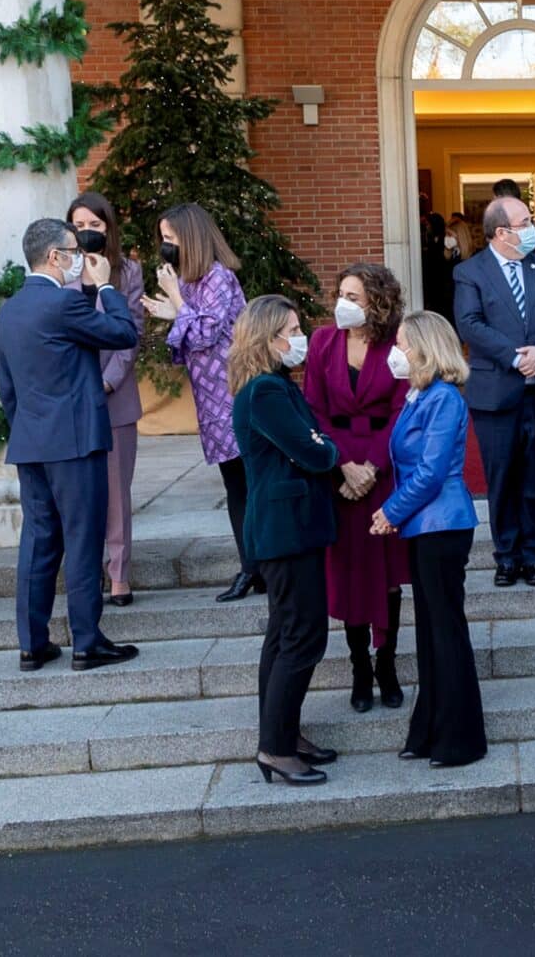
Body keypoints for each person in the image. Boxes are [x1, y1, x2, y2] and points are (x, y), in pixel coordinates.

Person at [0, 220, 142, 672]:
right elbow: (123, 333)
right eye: (73, 250)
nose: (80, 256)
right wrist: (104, 287)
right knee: (82, 538)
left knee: (39, 541)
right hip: (75, 443)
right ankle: (86, 640)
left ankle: (32, 643)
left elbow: (7, 386)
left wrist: (28, 429)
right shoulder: (60, 303)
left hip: (31, 440)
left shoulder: (12, 309)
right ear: (55, 257)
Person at [230, 295, 343, 785]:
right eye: (292, 330)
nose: (300, 339)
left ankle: (283, 732)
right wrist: (326, 448)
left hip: (289, 528)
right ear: (267, 338)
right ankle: (275, 747)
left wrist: (320, 444)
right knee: (301, 636)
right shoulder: (266, 393)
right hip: (285, 529)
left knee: (285, 634)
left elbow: (314, 441)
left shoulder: (274, 387)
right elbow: (314, 451)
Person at [373, 311, 487, 767]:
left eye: (401, 344)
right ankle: (429, 730)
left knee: (445, 631)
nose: (395, 353)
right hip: (425, 527)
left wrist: (390, 512)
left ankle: (460, 740)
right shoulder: (418, 396)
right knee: (431, 632)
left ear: (424, 347)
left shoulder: (444, 399)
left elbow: (432, 471)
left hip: (443, 526)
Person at [307, 263, 412, 713]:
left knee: (387, 576)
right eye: (341, 294)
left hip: (383, 468)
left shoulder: (397, 346)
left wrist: (371, 464)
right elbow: (313, 407)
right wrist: (344, 465)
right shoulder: (322, 342)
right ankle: (358, 668)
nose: (343, 303)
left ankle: (386, 663)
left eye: (354, 296)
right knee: (349, 572)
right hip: (339, 469)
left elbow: (401, 410)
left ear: (377, 303)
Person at [455, 196, 535, 588]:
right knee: (502, 475)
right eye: (525, 221)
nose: (532, 227)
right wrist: (515, 357)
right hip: (495, 393)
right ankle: (506, 556)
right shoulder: (470, 272)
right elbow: (469, 323)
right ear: (502, 232)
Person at [142, 203, 252, 602]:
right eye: (163, 239)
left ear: (191, 238)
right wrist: (174, 311)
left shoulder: (218, 278)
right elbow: (183, 341)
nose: (166, 247)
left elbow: (204, 334)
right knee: (234, 484)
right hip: (211, 401)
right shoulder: (191, 282)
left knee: (249, 483)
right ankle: (249, 566)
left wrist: (176, 303)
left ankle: (262, 567)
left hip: (235, 396)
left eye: (171, 238)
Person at [67, 192, 145, 607]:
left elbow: (130, 335)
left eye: (94, 226)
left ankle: (119, 574)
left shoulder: (127, 271)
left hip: (113, 397)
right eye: (79, 226)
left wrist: (109, 383)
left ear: (108, 229)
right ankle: (86, 568)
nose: (86, 233)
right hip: (70, 396)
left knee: (116, 491)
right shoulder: (60, 270)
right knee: (79, 492)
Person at [420, 212, 456, 322]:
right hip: (432, 281)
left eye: (428, 224)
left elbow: (447, 258)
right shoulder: (429, 239)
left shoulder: (447, 239)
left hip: (443, 282)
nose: (427, 226)